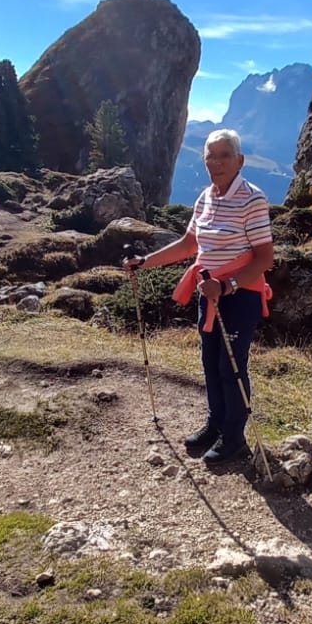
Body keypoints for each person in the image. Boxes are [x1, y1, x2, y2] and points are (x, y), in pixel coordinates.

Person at [123, 129, 273, 466]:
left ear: (239, 161)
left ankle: (234, 437)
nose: (216, 162)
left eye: (224, 155)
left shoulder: (253, 199)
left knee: (230, 367)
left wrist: (228, 285)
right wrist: (144, 263)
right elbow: (189, 245)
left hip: (239, 295)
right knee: (210, 363)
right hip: (210, 293)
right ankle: (216, 425)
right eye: (211, 156)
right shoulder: (205, 197)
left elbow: (264, 258)